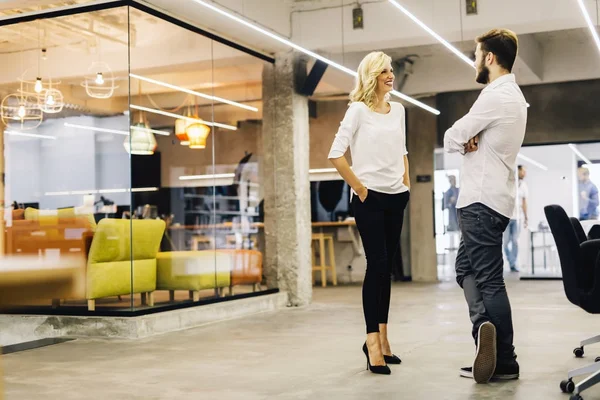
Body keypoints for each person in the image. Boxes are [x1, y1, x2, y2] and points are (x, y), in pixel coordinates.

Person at [443, 29, 527, 384]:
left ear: (489, 58)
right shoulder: (514, 96)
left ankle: (502, 357)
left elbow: (452, 136)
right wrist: (468, 139)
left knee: (490, 282)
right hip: (494, 200)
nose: (475, 61)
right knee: (465, 268)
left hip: (480, 200)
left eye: (477, 55)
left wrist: (464, 140)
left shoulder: (494, 95)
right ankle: (487, 333)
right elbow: (465, 137)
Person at [328, 51, 410, 375]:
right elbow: (336, 154)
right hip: (369, 199)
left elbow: (403, 151)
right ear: (371, 76)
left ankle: (385, 341)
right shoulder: (358, 111)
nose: (391, 76)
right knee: (375, 265)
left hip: (396, 197)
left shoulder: (399, 110)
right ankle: (371, 342)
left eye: (391, 70)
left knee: (386, 267)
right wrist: (361, 189)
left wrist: (405, 184)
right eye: (384, 72)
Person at [503, 165, 528, 272]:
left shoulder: (523, 186)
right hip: (506, 217)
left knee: (515, 241)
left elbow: (524, 203)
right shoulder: (508, 184)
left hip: (517, 218)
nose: (524, 173)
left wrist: (526, 217)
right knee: (505, 242)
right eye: (523, 171)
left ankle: (512, 264)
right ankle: (511, 260)